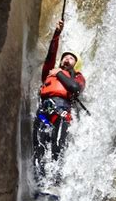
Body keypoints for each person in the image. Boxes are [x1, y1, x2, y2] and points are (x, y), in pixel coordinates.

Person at [33, 19, 85, 179]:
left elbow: (75, 88)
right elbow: (51, 55)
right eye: (65, 57)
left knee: (57, 145)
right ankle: (39, 181)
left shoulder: (77, 77)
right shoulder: (50, 72)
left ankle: (55, 181)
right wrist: (56, 34)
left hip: (61, 112)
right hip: (44, 111)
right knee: (39, 146)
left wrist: (59, 73)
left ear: (76, 65)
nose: (66, 59)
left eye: (71, 58)